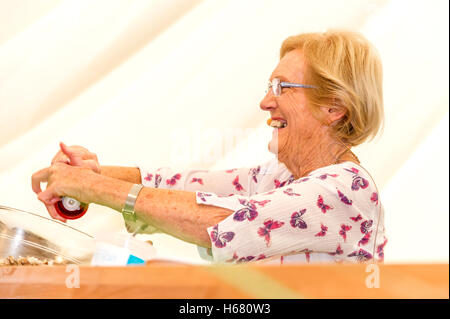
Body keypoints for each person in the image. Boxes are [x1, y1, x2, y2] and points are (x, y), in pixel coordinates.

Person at [31, 30, 387, 264]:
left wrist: (93, 187)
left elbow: (223, 220)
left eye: (282, 87)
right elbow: (188, 187)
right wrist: (92, 173)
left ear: (334, 108)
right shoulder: (283, 176)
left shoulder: (345, 189)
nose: (265, 102)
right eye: (268, 86)